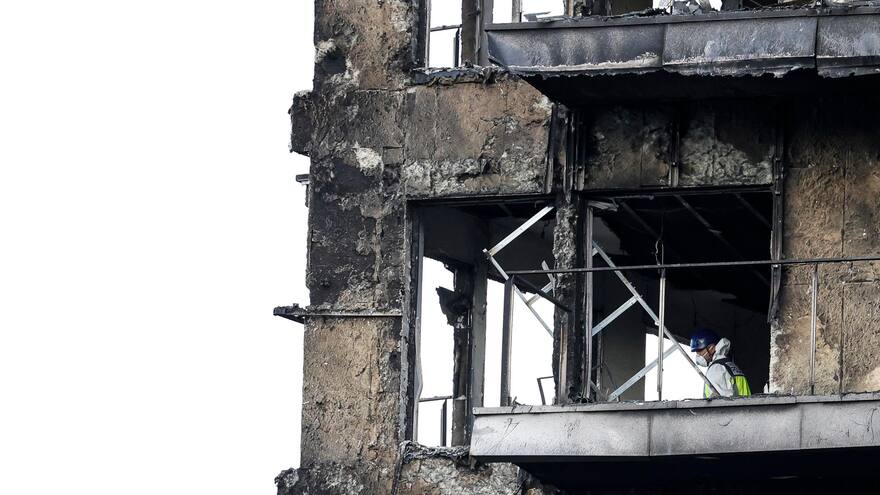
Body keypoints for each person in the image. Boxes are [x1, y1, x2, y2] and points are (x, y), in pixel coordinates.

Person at [690, 329, 751, 398]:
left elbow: (719, 404)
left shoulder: (716, 369)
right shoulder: (729, 365)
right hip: (745, 408)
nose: (698, 355)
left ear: (711, 348)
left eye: (700, 350)